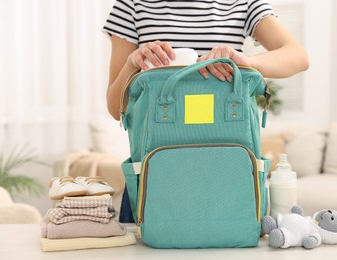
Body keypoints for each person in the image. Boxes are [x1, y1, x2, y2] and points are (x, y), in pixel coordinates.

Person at [102, 0, 308, 222]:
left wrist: (245, 62)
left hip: (228, 180)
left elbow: (298, 56)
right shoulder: (132, 5)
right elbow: (116, 109)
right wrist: (133, 63)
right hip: (152, 183)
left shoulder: (244, 3)